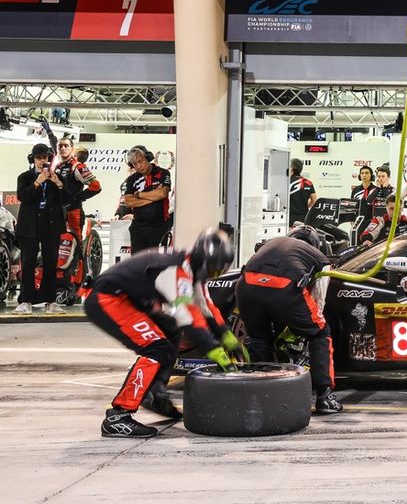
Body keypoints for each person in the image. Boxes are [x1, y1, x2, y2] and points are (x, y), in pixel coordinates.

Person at [84, 227, 244, 437]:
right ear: (203, 259)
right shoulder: (174, 269)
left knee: (170, 330)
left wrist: (225, 334)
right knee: (157, 348)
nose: (214, 274)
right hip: (108, 300)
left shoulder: (190, 266)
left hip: (128, 300)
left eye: (219, 271)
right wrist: (213, 348)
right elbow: (187, 316)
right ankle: (118, 416)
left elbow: (205, 305)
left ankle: (155, 392)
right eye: (213, 269)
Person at [237, 225, 342, 414]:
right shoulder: (321, 259)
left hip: (246, 286)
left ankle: (258, 394)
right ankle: (325, 396)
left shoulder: (270, 244)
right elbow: (319, 301)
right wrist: (298, 330)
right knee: (320, 333)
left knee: (259, 338)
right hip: (284, 288)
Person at [13, 143, 66, 315]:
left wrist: (58, 183)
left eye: (45, 157)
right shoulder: (25, 177)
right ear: (33, 159)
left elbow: (67, 199)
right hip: (29, 225)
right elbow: (22, 196)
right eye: (39, 158)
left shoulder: (57, 177)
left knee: (51, 263)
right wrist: (37, 182)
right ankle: (26, 300)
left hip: (51, 224)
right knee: (28, 262)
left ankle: (50, 301)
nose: (42, 161)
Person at [54, 138, 102, 298]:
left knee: (76, 248)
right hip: (58, 212)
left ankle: (76, 288)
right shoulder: (58, 167)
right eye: (60, 146)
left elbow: (96, 186)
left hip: (73, 212)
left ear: (72, 148)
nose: (62, 148)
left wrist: (77, 198)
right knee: (59, 247)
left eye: (66, 146)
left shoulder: (77, 166)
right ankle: (60, 283)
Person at [123, 146, 172, 253]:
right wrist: (154, 197)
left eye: (140, 161)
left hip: (159, 227)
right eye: (134, 164)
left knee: (158, 261)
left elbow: (163, 193)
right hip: (138, 228)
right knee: (138, 261)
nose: (138, 166)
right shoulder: (131, 179)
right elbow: (128, 202)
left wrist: (139, 195)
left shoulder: (163, 173)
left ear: (148, 158)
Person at [288, 158, 317, 226]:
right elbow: (314, 199)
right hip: (304, 217)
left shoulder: (286, 182)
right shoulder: (308, 182)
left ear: (292, 168)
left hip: (289, 217)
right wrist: (306, 206)